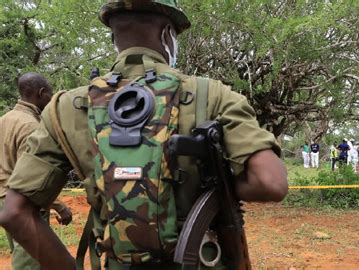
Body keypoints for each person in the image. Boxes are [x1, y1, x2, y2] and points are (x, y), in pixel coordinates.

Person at [0, 2, 288, 269]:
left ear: (114, 34)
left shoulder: (64, 108)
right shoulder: (213, 96)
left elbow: (15, 213)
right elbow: (271, 182)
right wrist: (215, 189)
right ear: (167, 35)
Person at [0, 73, 72, 270]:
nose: (51, 99)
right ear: (41, 94)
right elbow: (31, 177)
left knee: (21, 254)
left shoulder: (5, 119)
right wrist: (60, 206)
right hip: (25, 205)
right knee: (30, 264)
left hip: (6, 202)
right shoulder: (32, 127)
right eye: (49, 94)